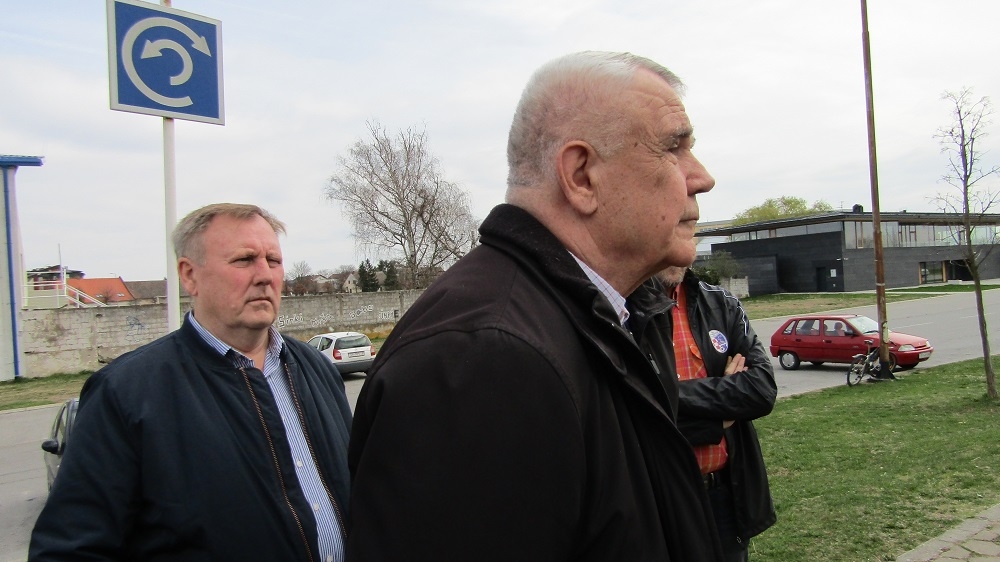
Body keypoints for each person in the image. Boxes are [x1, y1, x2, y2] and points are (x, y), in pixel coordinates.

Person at [347, 51, 723, 560]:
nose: (702, 177)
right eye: (673, 148)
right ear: (582, 175)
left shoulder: (611, 314)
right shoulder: (485, 359)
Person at [29, 203, 353, 562]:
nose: (265, 275)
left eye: (273, 260)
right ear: (189, 275)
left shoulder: (315, 367)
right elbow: (70, 549)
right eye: (245, 260)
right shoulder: (125, 393)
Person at [658, 266, 778, 561]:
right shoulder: (623, 309)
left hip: (722, 496)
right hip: (660, 499)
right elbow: (631, 412)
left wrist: (668, 395)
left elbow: (761, 389)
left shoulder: (721, 304)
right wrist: (719, 413)